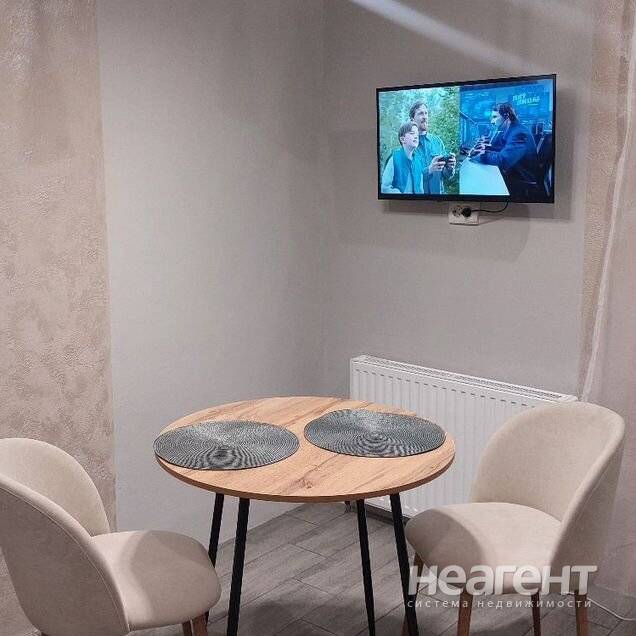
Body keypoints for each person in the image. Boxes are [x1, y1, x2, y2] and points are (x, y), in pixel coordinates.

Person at [473, 102, 540, 199]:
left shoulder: (519, 133)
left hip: (521, 182)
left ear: (506, 116)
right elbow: (504, 150)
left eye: (495, 117)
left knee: (479, 182)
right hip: (515, 172)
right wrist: (486, 150)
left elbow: (503, 161)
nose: (492, 121)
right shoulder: (514, 129)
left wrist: (482, 156)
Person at [410, 101, 456, 194]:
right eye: (420, 113)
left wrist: (450, 168)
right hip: (416, 200)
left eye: (426, 113)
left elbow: (446, 175)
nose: (425, 117)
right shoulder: (409, 144)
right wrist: (429, 170)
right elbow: (407, 178)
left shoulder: (437, 141)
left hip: (438, 199)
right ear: (412, 119)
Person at [381, 121, 425, 194]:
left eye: (417, 134)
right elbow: (385, 188)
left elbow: (420, 190)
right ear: (402, 139)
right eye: (412, 133)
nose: (416, 136)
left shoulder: (418, 162)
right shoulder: (394, 159)